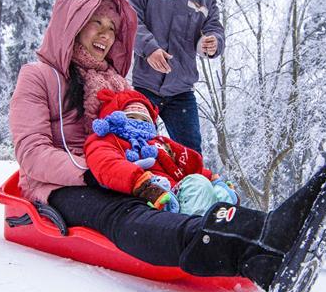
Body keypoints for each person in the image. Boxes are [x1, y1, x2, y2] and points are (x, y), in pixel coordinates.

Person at [9, 0, 326, 292]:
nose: (106, 35)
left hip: (119, 167)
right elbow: (31, 153)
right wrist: (95, 174)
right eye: (97, 23)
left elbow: (139, 138)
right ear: (72, 24)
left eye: (112, 28)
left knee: (191, 190)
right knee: (128, 215)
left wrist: (163, 166)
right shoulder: (39, 76)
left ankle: (321, 238)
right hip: (63, 185)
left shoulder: (115, 83)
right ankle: (258, 255)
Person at [124, 0, 224, 155]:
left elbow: (214, 30)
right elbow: (129, 17)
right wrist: (149, 49)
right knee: (133, 145)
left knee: (191, 155)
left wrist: (211, 43)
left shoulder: (207, 1)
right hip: (143, 85)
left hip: (181, 92)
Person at [84, 87, 238, 216]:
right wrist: (143, 185)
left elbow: (183, 166)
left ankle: (226, 230)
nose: (139, 122)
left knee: (219, 193)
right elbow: (107, 164)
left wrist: (212, 179)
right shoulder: (108, 140)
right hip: (152, 197)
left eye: (145, 119)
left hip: (177, 191)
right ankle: (200, 231)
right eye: (131, 116)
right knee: (197, 185)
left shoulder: (159, 143)